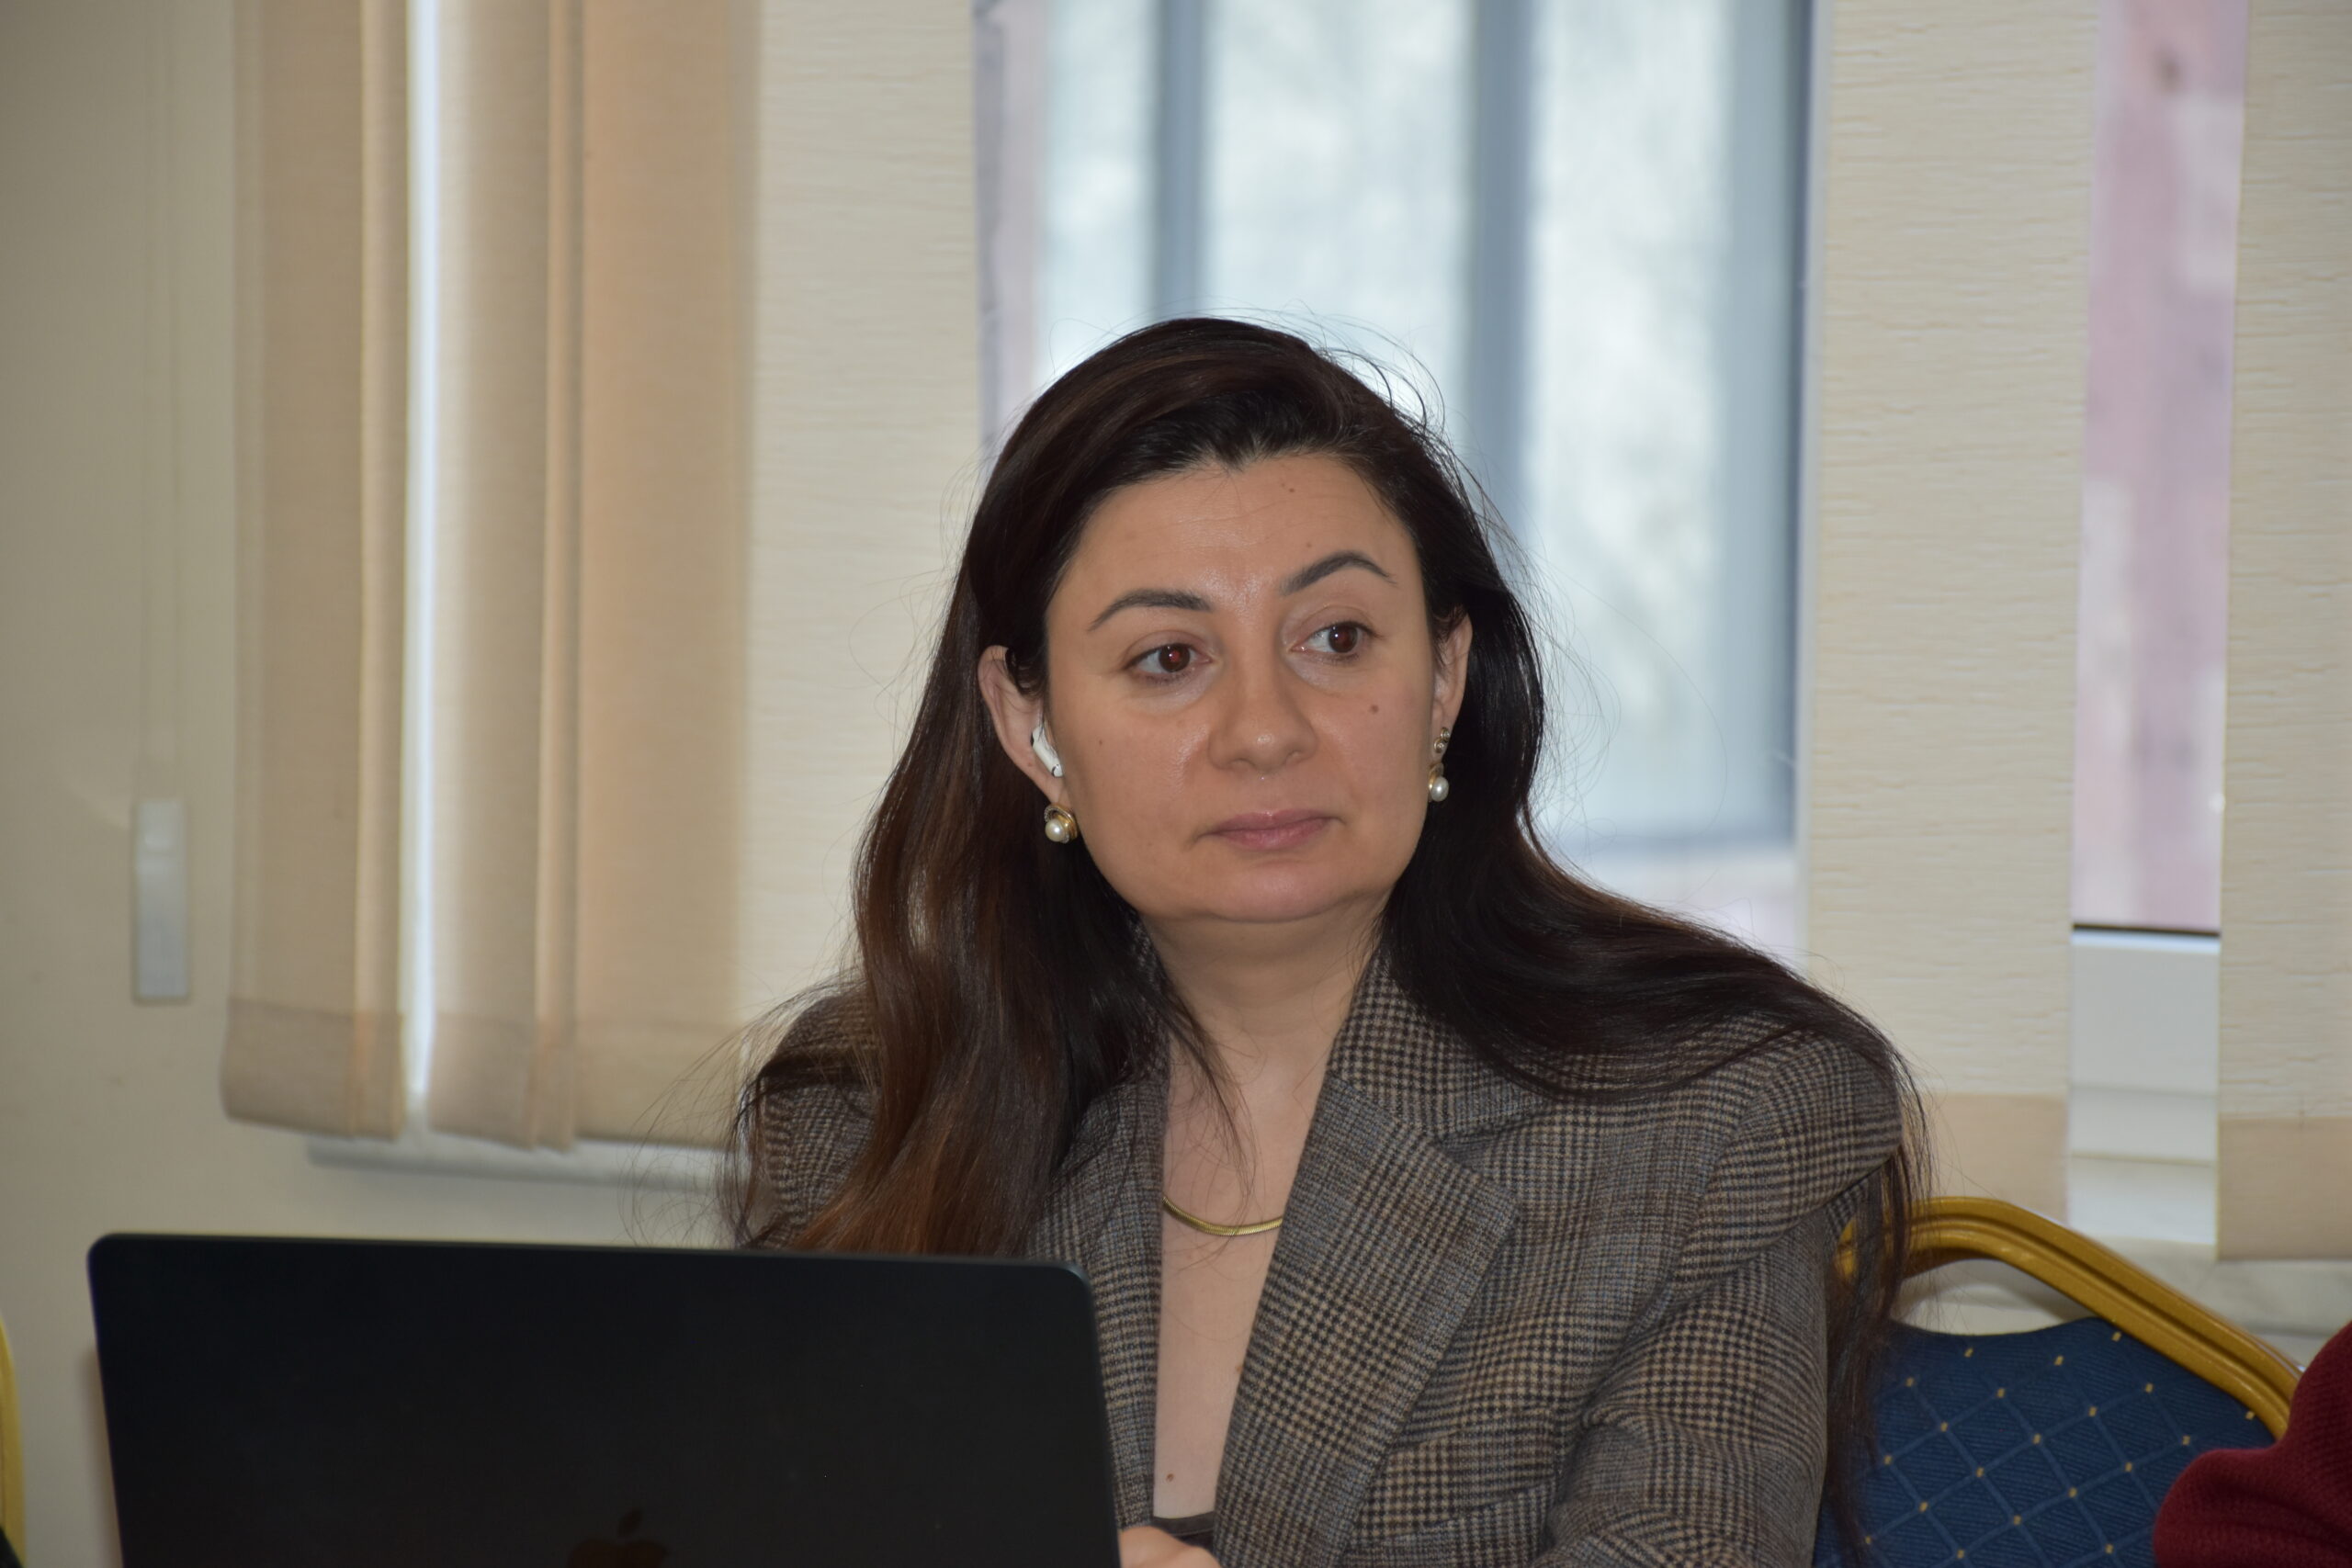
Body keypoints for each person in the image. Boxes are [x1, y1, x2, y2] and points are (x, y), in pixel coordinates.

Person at [730, 318, 1921, 1568]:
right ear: (1031, 724)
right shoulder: (874, 1113)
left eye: (1336, 639)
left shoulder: (1707, 1127)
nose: (1265, 730)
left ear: (1445, 678)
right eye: (1169, 658)